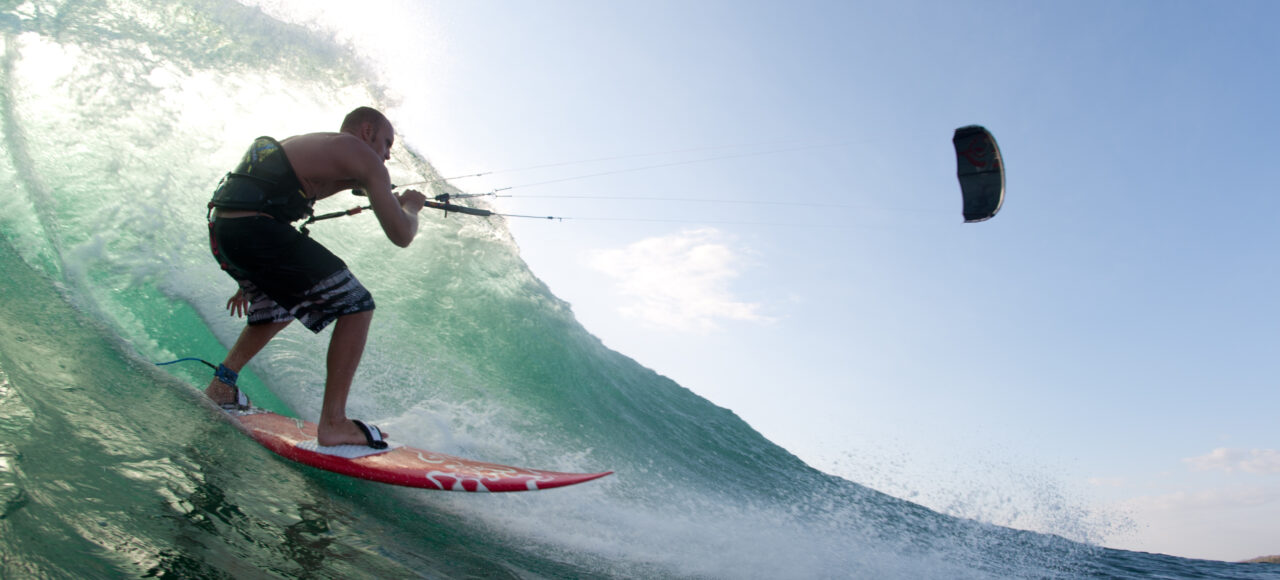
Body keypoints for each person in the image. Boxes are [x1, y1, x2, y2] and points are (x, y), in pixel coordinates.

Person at [205, 107, 427, 448]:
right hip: (255, 230)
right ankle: (334, 423)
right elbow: (401, 234)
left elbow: (270, 190)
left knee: (278, 310)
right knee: (357, 304)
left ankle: (223, 383)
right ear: (366, 130)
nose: (387, 154)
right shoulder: (363, 156)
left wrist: (247, 276)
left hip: (227, 229)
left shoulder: (323, 148)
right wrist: (411, 207)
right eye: (386, 142)